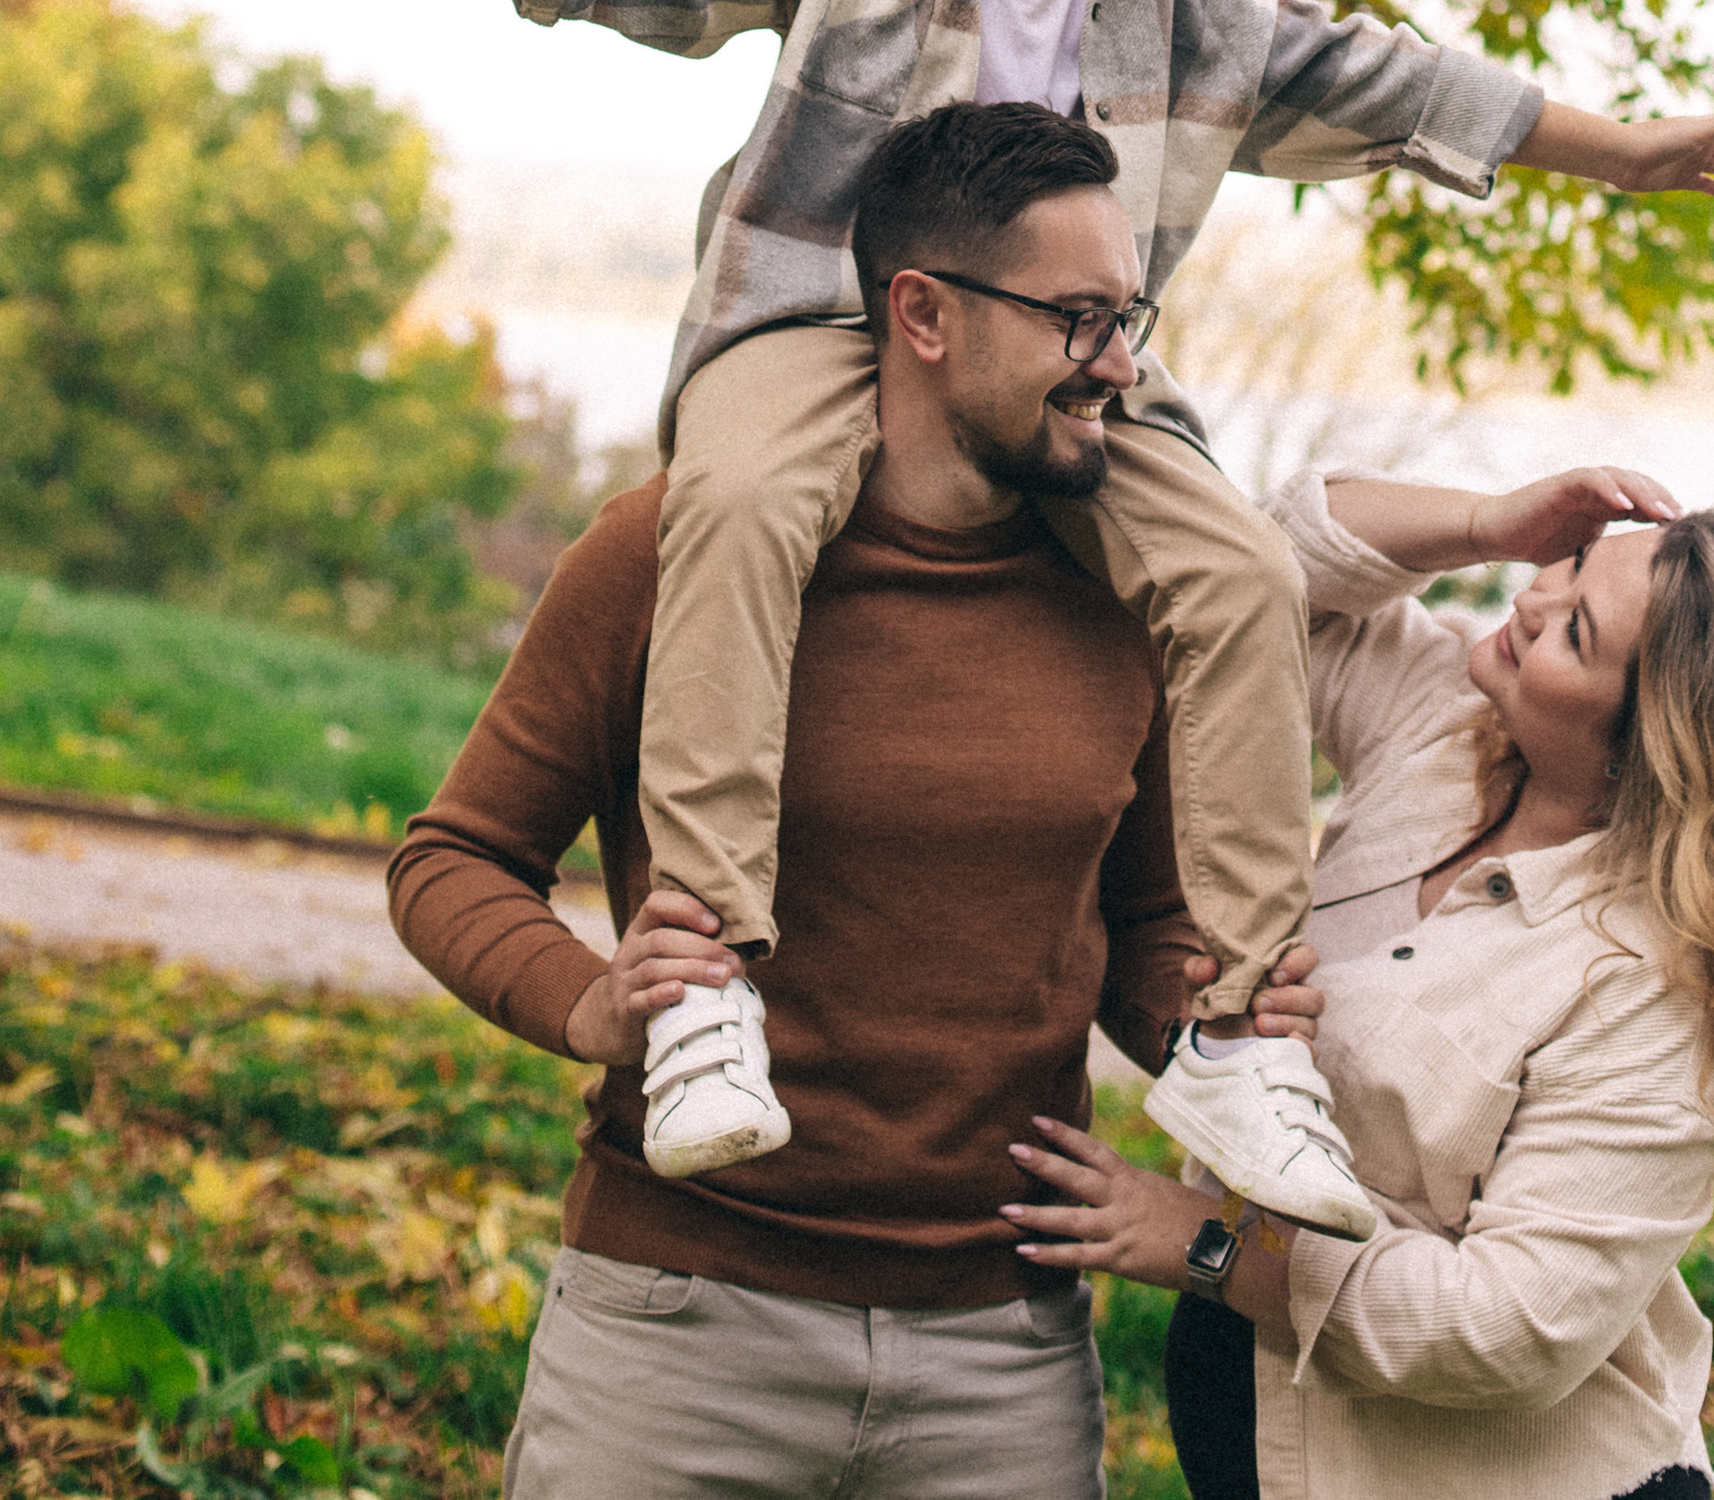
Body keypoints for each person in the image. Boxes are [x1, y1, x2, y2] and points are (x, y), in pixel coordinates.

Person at [240, 0, 1714, 1220]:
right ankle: (703, 992)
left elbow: (1410, 88)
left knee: (1241, 574)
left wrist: (1633, 154)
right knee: (745, 507)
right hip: (812, 313)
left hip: (1075, 363)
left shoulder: (1194, 0)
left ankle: (1245, 1037)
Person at [390, 100, 1216, 1500]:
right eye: (1080, 319)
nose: (1122, 365)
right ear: (924, 314)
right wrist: (591, 1006)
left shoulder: (1129, 595)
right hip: (677, 1328)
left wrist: (1213, 1019)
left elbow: (1143, 930)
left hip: (1000, 1359)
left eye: (1128, 315)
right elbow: (454, 859)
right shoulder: (674, 545)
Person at [1002, 456, 1714, 1500]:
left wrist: (1205, 1247)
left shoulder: (1656, 983)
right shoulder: (1451, 729)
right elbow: (1257, 570)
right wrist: (1491, 521)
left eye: (1575, 631)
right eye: (1568, 568)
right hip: (1265, 1440)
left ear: (1650, 745)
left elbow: (1507, 1334)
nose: (1532, 599)